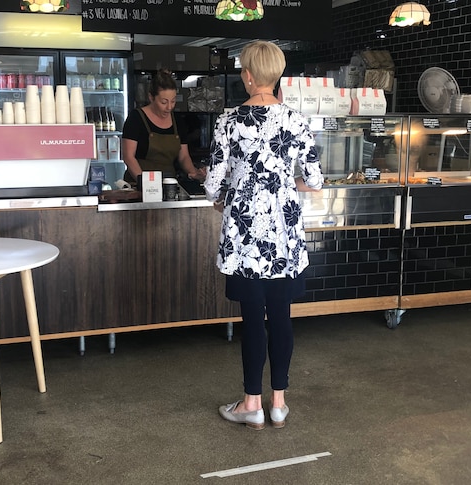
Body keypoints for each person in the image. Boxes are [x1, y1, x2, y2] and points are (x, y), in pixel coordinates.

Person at [204, 41, 323, 430]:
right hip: (284, 239)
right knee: (282, 317)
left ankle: (250, 404)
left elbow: (211, 186)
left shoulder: (228, 121)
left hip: (242, 238)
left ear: (249, 76)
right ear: (278, 76)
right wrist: (284, 186)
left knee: (252, 318)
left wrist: (230, 197)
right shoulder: (296, 120)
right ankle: (279, 404)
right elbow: (315, 180)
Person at [121, 69, 206, 185]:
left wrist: (194, 173)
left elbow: (184, 156)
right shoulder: (136, 118)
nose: (169, 107)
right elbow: (128, 157)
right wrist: (144, 183)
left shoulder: (177, 122)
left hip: (168, 183)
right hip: (138, 184)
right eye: (164, 102)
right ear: (151, 97)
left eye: (173, 101)